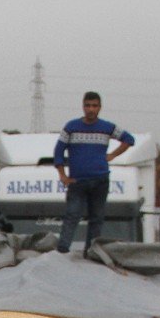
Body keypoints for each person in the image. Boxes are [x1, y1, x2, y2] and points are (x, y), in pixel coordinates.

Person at [53, 91, 135, 254]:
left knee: (96, 218)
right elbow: (58, 151)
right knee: (72, 215)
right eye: (88, 105)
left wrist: (112, 155)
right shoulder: (71, 127)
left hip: (100, 180)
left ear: (100, 108)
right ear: (83, 107)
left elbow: (129, 139)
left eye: (94, 106)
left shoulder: (106, 127)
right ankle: (62, 250)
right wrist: (62, 175)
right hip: (77, 181)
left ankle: (91, 251)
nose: (91, 109)